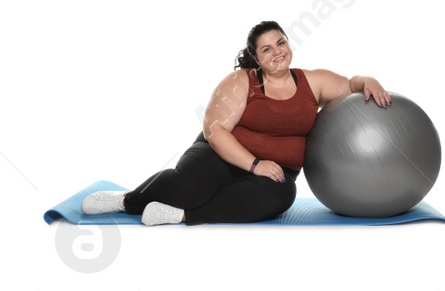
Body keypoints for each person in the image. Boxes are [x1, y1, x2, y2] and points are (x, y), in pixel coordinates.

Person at [79, 21, 392, 225]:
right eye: (267, 49)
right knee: (188, 185)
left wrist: (370, 81)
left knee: (279, 198)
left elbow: (352, 83)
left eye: (280, 43)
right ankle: (126, 201)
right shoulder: (241, 81)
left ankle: (185, 215)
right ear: (256, 58)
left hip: (274, 172)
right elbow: (215, 131)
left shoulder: (314, 81)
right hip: (219, 155)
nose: (277, 52)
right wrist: (255, 164)